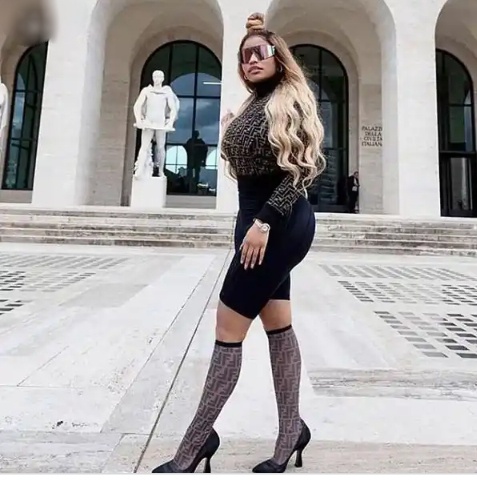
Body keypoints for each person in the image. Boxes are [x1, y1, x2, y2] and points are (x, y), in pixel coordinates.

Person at [152, 11, 326, 474]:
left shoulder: (290, 98)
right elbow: (245, 164)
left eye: (260, 52)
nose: (251, 60)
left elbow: (303, 171)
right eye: (244, 55)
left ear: (278, 57)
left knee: (227, 328)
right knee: (278, 326)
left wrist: (264, 222)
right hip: (253, 223)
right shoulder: (253, 104)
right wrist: (230, 129)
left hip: (277, 224)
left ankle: (194, 445)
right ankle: (292, 431)